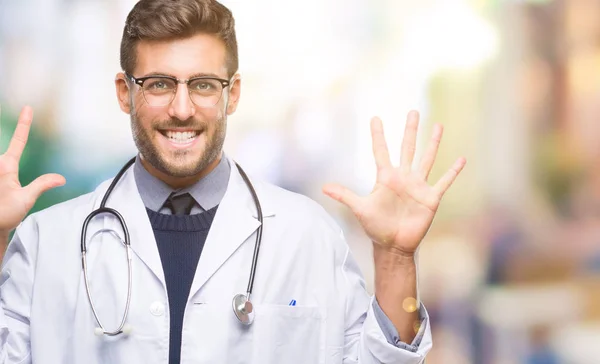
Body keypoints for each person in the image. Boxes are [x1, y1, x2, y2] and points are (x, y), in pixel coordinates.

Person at [0, 0, 465, 363]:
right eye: (160, 84)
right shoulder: (49, 243)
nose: (182, 108)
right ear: (126, 93)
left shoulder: (306, 235)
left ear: (233, 94)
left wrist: (396, 259)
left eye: (203, 84)